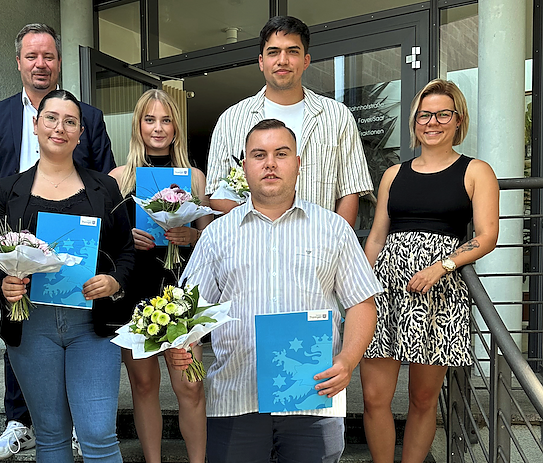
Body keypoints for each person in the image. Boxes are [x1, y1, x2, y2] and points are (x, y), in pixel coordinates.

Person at [166, 119, 381, 463]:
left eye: (281, 154)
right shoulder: (217, 235)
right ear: (244, 167)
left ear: (298, 164)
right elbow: (187, 309)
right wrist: (183, 346)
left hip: (313, 399)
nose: (270, 163)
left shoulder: (334, 229)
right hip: (236, 400)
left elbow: (362, 302)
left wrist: (348, 360)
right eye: (258, 154)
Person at [0, 23, 115, 460]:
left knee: (94, 430)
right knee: (24, 334)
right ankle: (19, 421)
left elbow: (107, 184)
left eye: (48, 56)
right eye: (31, 56)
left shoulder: (86, 115)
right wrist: (3, 256)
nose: (40, 63)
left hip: (82, 291)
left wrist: (109, 273)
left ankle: (66, 427)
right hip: (21, 273)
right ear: (19, 62)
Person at [360, 79, 499, 463]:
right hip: (385, 290)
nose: (432, 122)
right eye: (425, 114)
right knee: (374, 397)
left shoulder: (476, 171)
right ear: (415, 122)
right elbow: (376, 237)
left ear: (458, 120)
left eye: (443, 114)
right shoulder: (393, 174)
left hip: (438, 293)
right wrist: (360, 285)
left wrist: (442, 266)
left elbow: (487, 236)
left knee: (423, 398)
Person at [108, 89, 211, 463]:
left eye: (166, 119)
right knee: (144, 385)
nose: (158, 127)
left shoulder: (193, 177)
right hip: (135, 292)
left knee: (191, 384)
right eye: (149, 119)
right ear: (137, 125)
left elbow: (212, 238)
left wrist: (192, 235)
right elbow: (106, 246)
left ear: (176, 127)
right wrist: (125, 237)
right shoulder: (118, 178)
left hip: (181, 292)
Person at [205, 16, 372, 226]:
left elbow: (350, 191)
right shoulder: (231, 120)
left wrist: (334, 244)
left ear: (306, 61)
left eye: (292, 51)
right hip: (251, 248)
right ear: (261, 61)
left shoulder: (337, 116)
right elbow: (215, 193)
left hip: (317, 246)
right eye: (273, 52)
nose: (282, 60)